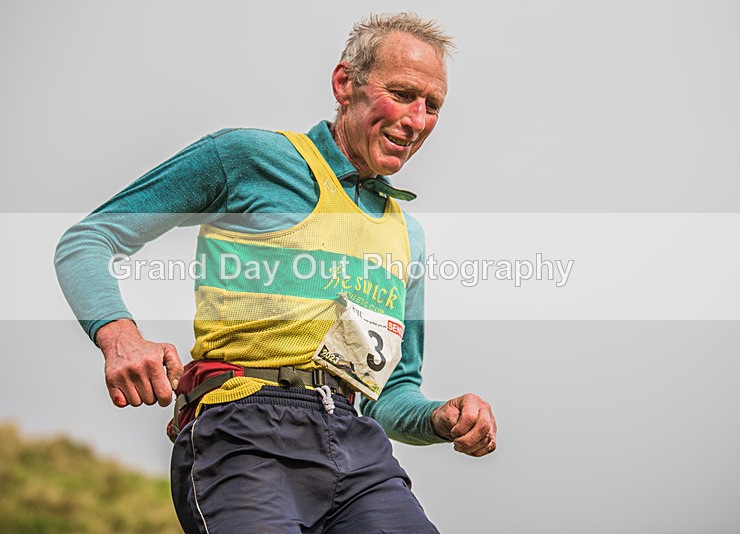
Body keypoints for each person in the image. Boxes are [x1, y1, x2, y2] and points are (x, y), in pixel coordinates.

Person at [55, 12, 496, 534]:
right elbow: (88, 240)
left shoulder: (408, 238)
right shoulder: (248, 158)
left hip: (357, 450)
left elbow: (392, 396)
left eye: (433, 105)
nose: (417, 119)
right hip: (244, 434)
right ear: (344, 84)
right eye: (401, 94)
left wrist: (439, 418)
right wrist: (120, 338)